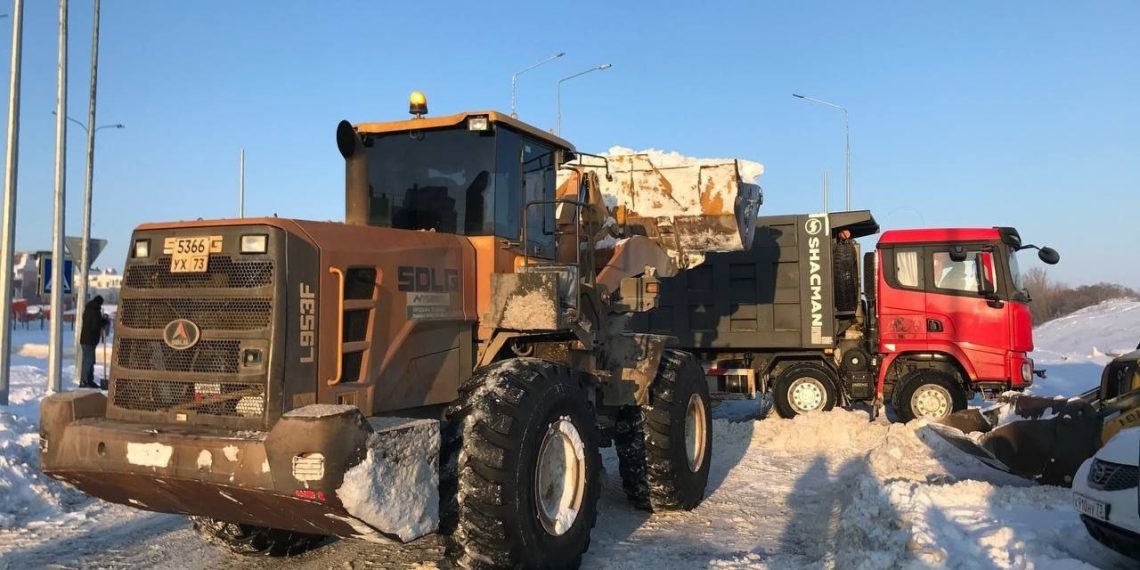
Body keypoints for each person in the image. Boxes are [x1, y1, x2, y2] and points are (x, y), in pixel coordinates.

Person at [79, 295, 109, 389]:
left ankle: (89, 380)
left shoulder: (87, 310)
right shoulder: (95, 312)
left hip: (86, 339)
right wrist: (103, 322)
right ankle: (84, 381)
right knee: (88, 361)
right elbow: (95, 325)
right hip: (89, 340)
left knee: (90, 360)